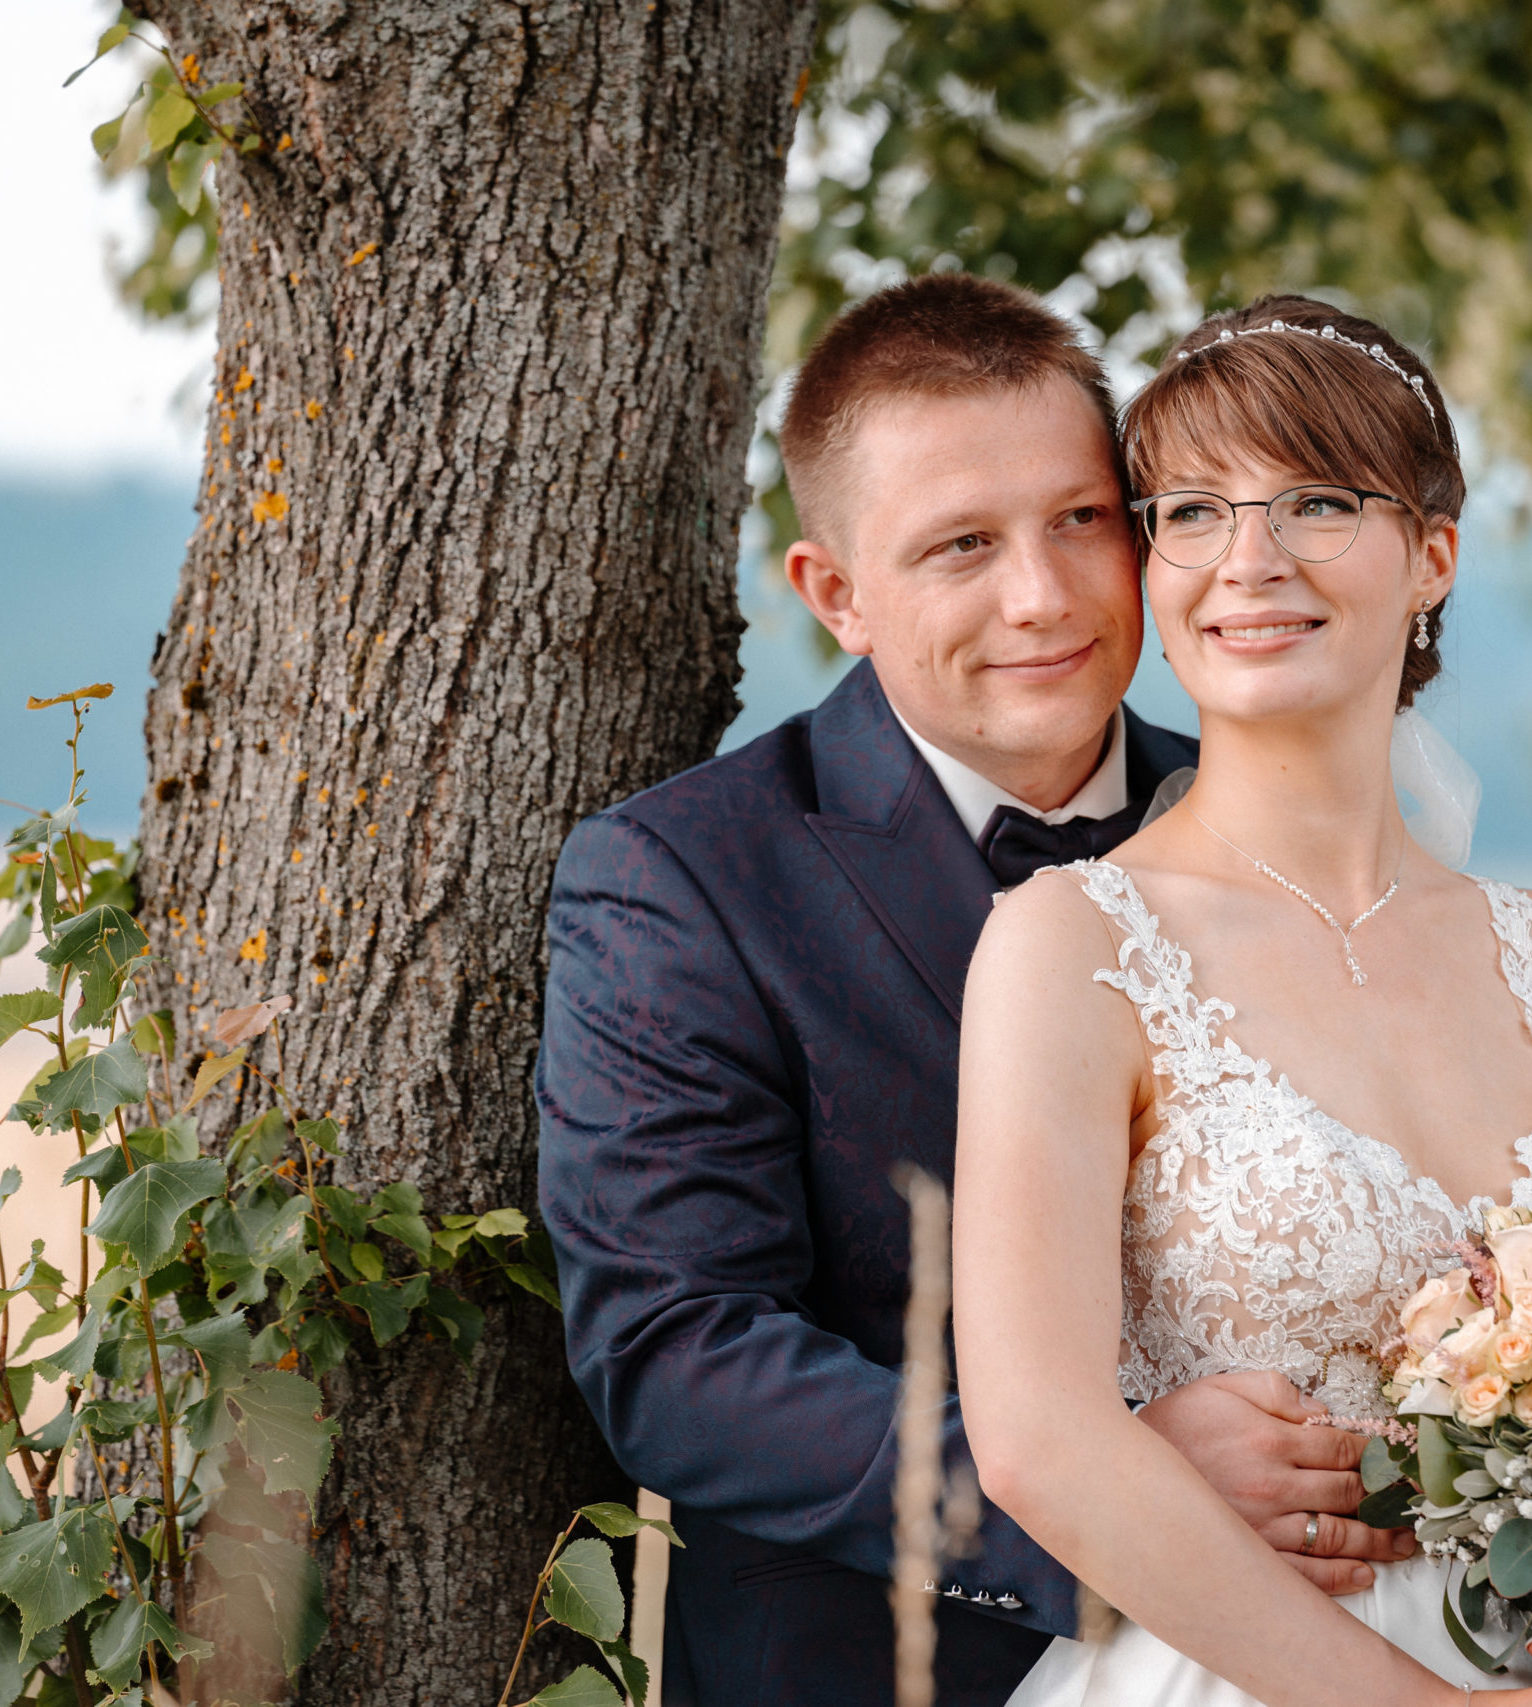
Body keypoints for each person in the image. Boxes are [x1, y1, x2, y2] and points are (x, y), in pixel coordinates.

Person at [536, 276, 1423, 1707]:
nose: (1044, 594)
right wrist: (1114, 1495)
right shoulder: (686, 880)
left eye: (1082, 520)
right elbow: (675, 1351)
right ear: (837, 596)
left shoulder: (1284, 834)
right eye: (961, 545)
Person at [954, 297, 1532, 1706]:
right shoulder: (1071, 946)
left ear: (1430, 556)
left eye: (1315, 502)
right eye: (1192, 511)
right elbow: (1035, 1438)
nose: (1249, 561)